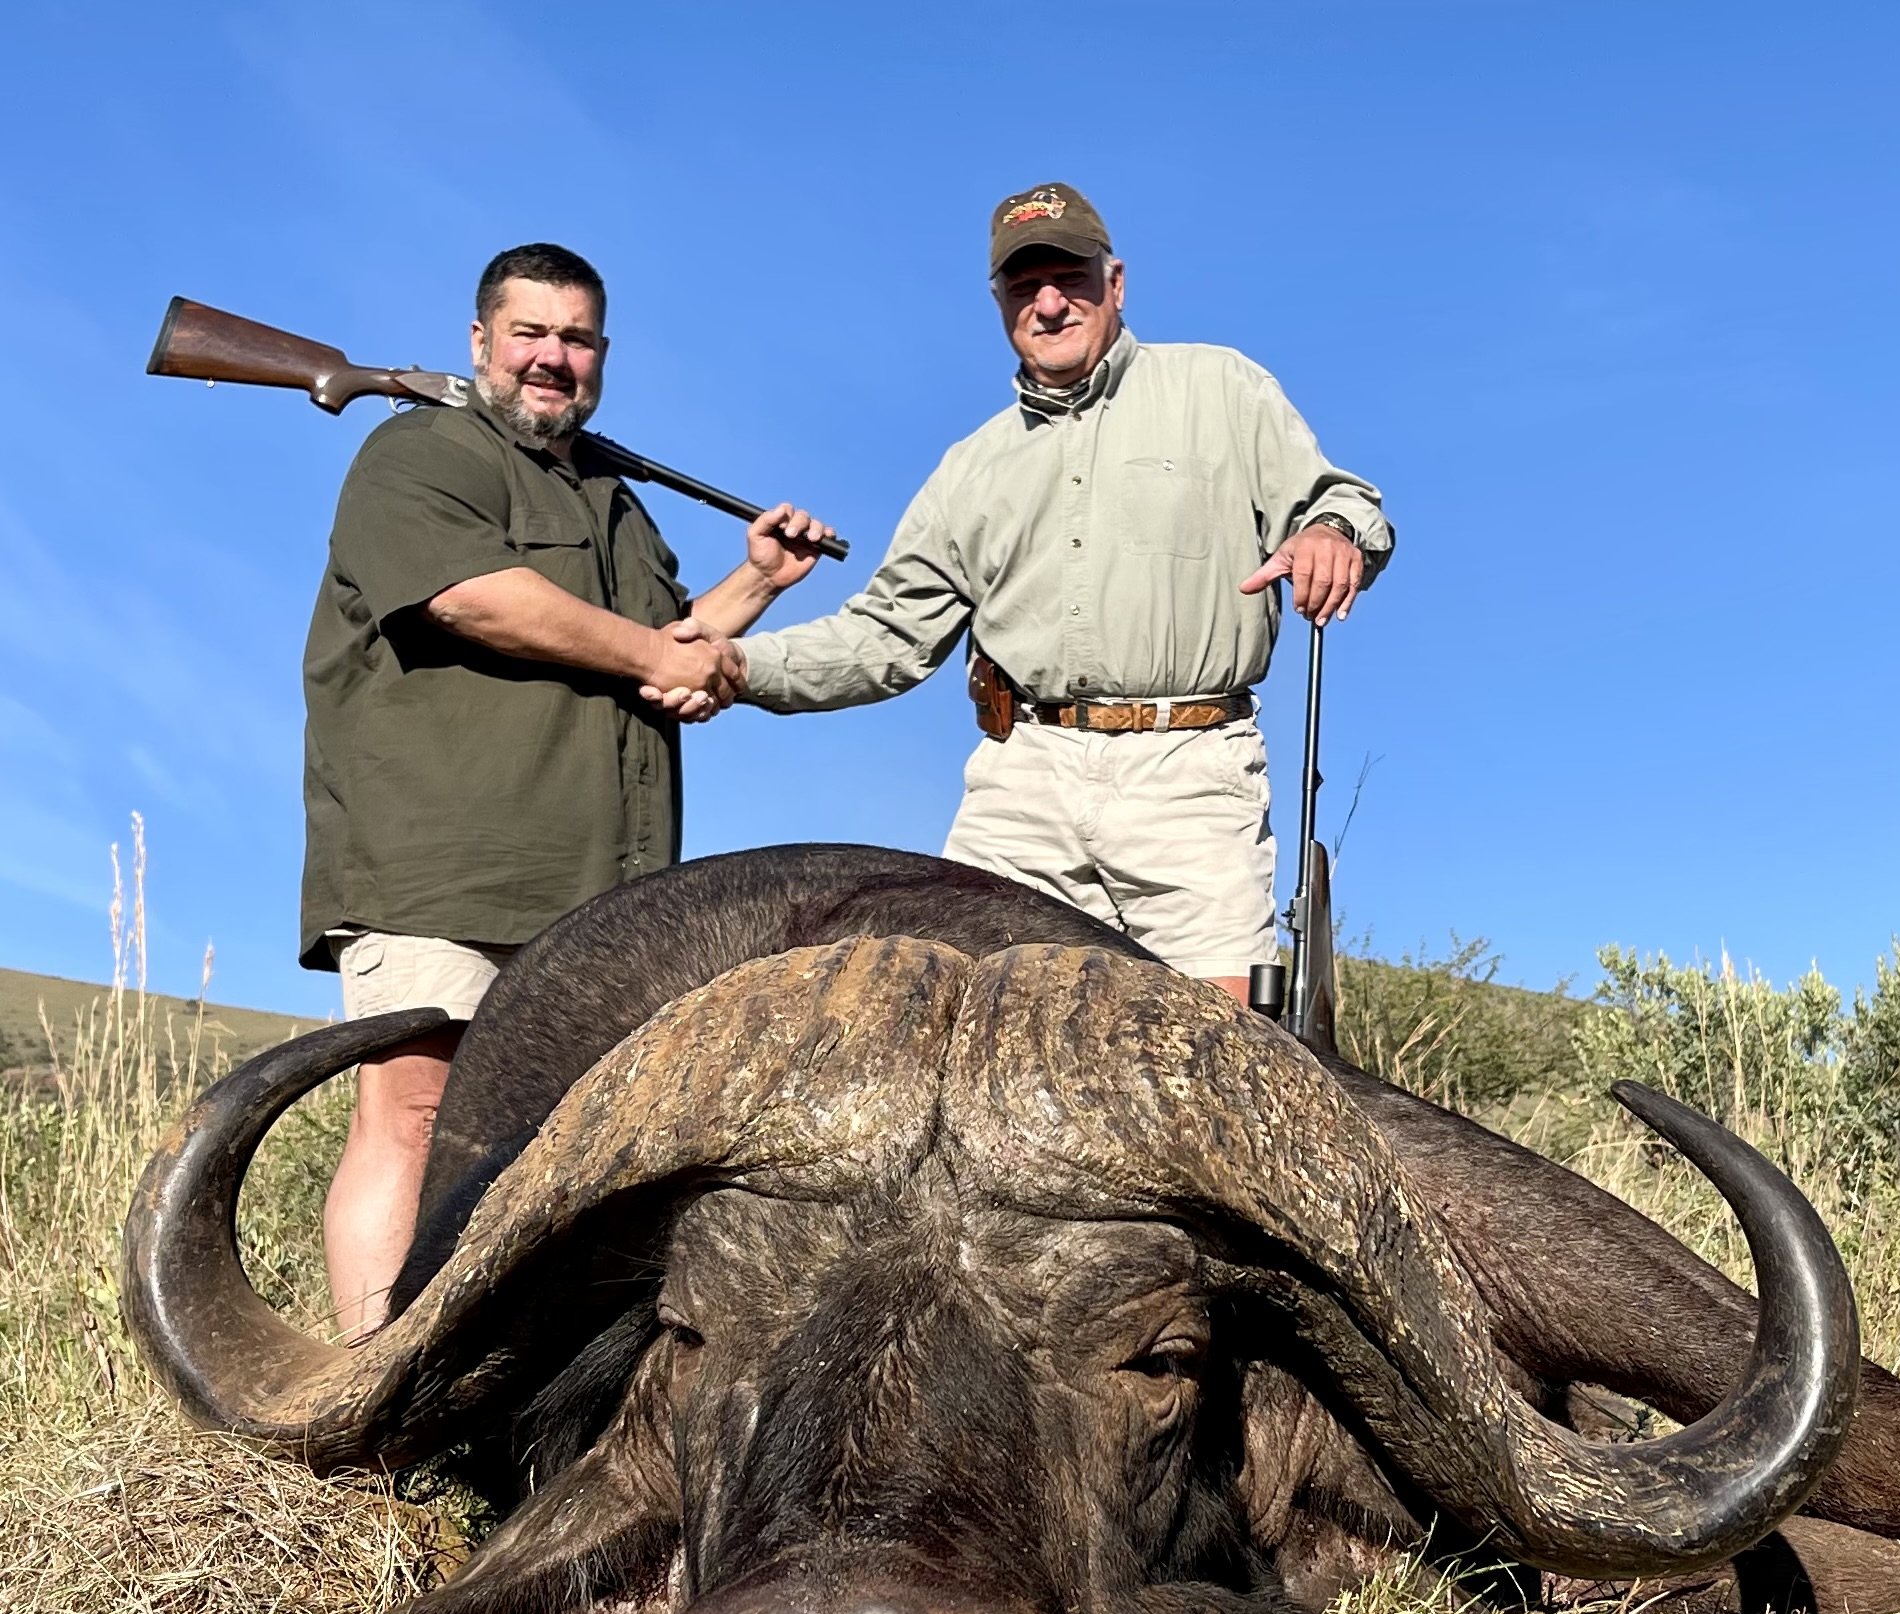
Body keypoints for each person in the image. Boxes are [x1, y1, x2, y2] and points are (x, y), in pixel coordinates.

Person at [302, 241, 828, 1336]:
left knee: (563, 1148)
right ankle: (371, 1397)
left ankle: (498, 1400)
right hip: (441, 863)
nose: (553, 358)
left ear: (602, 353)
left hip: (601, 894)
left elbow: (665, 643)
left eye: (577, 337)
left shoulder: (618, 503)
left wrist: (756, 584)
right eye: (529, 332)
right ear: (479, 340)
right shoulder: (418, 453)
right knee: (413, 1116)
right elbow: (472, 598)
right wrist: (657, 658)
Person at [731, 182, 1391, 1002]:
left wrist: (1332, 534)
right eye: (1023, 284)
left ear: (1114, 283)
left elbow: (1346, 501)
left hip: (1188, 762)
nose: (1049, 303)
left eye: (1070, 277)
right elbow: (885, 639)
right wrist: (734, 667)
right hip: (1024, 771)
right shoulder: (968, 467)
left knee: (1223, 1050)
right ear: (1000, 300)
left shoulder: (1222, 387)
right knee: (958, 1015)